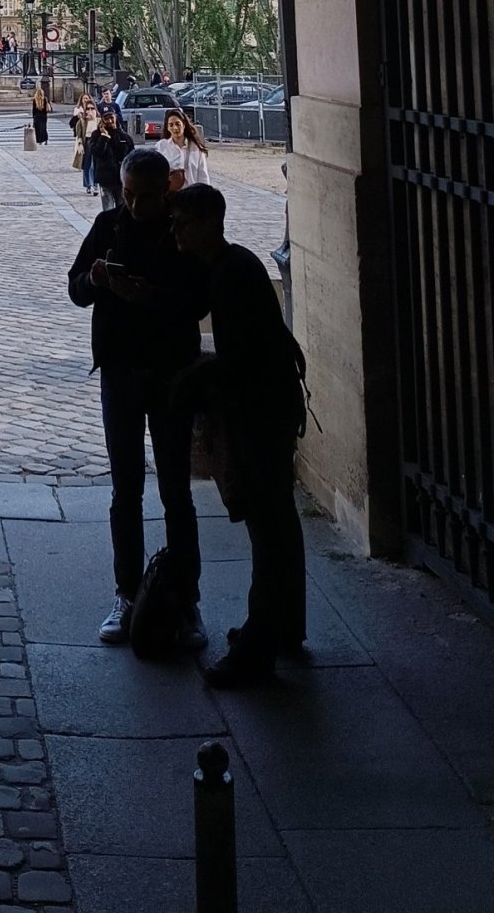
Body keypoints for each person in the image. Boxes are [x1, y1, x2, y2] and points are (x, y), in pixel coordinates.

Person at [67, 147, 208, 650]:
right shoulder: (107, 226)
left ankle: (185, 599)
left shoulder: (181, 230)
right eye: (127, 195)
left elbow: (199, 297)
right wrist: (97, 279)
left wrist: (148, 296)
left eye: (144, 197)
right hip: (122, 373)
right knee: (125, 490)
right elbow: (76, 288)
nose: (134, 206)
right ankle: (127, 593)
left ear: (165, 190)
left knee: (176, 492)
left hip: (170, 372)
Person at [171, 183, 308, 687]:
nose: (176, 232)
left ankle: (258, 648)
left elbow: (242, 357)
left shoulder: (230, 275)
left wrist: (195, 375)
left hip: (260, 411)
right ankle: (285, 626)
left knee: (267, 529)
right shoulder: (234, 266)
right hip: (268, 405)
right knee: (279, 523)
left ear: (209, 221)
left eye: (183, 223)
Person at [158, 107, 210, 191]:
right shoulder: (161, 147)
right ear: (167, 128)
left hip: (192, 197)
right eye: (171, 125)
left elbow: (203, 176)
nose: (175, 128)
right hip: (171, 198)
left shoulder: (196, 148)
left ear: (184, 125)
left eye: (178, 124)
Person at [89, 109, 131, 209]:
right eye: (106, 119)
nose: (110, 121)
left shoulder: (123, 135)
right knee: (107, 208)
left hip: (120, 177)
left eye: (111, 118)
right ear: (102, 121)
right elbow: (97, 152)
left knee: (121, 208)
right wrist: (104, 137)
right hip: (105, 177)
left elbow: (130, 155)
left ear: (115, 118)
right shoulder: (96, 135)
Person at [69, 94, 100, 195]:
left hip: (97, 142)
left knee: (95, 164)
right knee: (87, 165)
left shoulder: (99, 121)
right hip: (87, 141)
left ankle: (95, 184)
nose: (90, 111)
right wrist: (80, 144)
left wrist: (94, 119)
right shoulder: (82, 122)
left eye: (92, 108)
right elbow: (79, 135)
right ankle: (88, 185)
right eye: (88, 109)